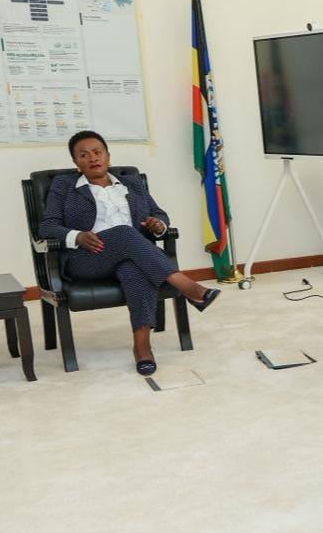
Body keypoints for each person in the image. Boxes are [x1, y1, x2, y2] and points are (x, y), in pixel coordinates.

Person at [39, 130, 220, 376]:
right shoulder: (64, 186)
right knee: (124, 232)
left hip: (135, 255)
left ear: (108, 156)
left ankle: (142, 348)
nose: (92, 158)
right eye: (83, 155)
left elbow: (159, 213)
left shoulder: (132, 183)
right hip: (87, 258)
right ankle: (189, 288)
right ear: (76, 163)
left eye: (97, 152)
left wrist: (159, 225)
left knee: (133, 269)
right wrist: (77, 236)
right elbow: (47, 226)